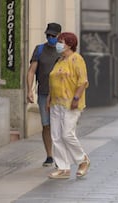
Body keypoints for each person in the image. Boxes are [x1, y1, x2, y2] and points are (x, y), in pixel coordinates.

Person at [47, 32, 90, 179]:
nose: (58, 44)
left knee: (67, 134)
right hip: (55, 102)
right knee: (56, 136)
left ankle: (82, 160)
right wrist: (49, 98)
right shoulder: (59, 60)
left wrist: (76, 97)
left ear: (69, 44)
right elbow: (53, 81)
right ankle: (63, 168)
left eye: (61, 41)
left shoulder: (76, 59)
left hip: (70, 102)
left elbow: (83, 80)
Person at [27, 22, 61, 167]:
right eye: (48, 35)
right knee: (46, 125)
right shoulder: (39, 50)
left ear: (59, 36)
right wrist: (29, 90)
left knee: (58, 126)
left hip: (60, 94)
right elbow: (31, 71)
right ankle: (49, 155)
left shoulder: (63, 51)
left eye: (53, 35)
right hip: (43, 93)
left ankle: (60, 156)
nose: (50, 37)